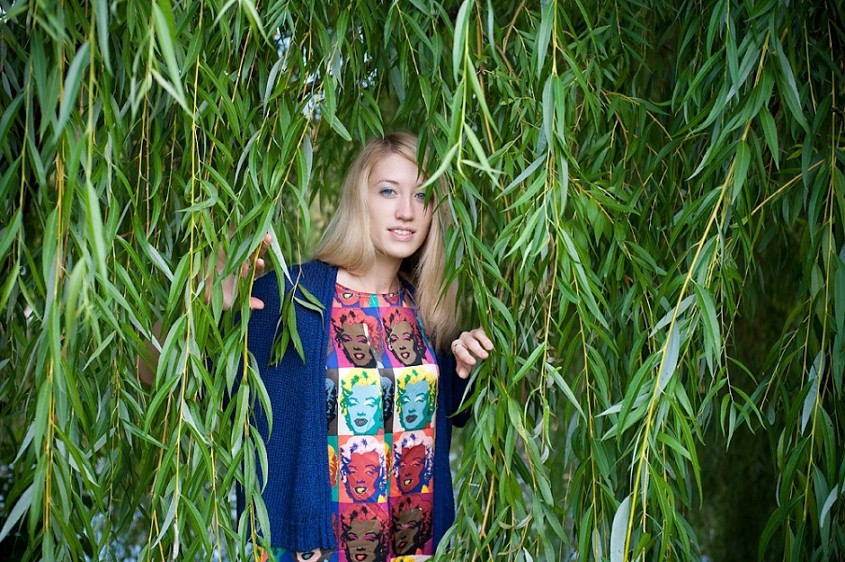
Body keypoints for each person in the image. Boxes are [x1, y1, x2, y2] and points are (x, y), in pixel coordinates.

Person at [138, 132, 493, 561]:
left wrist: (465, 370)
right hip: (313, 548)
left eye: (421, 195)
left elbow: (447, 417)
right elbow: (154, 370)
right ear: (359, 200)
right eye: (388, 191)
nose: (406, 211)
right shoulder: (291, 299)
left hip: (414, 547)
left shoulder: (427, 309)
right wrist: (201, 305)